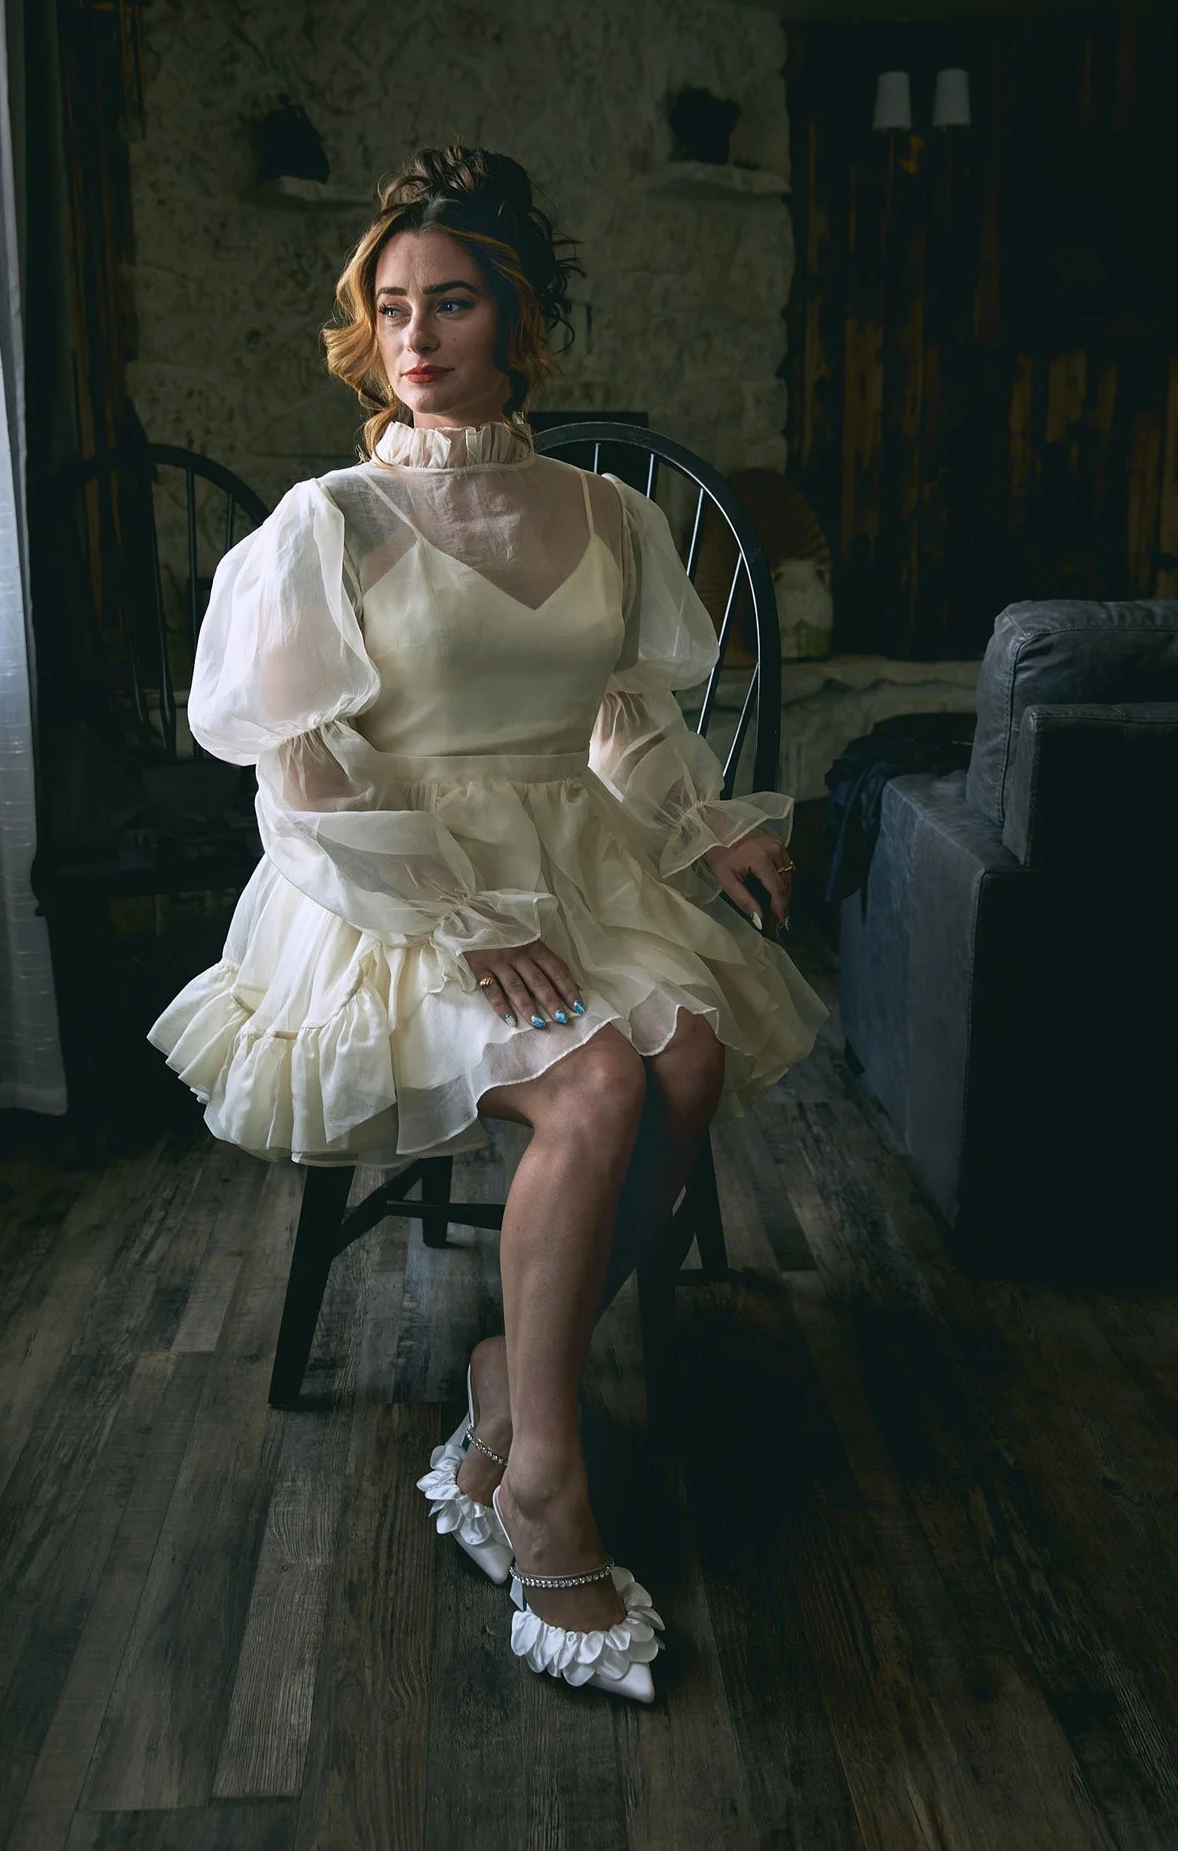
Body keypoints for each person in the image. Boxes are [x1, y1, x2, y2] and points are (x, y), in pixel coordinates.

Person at [147, 145, 827, 1702]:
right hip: (390, 878)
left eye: (450, 302)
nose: (414, 336)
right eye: (390, 307)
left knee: (689, 1062)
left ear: (521, 321)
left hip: (573, 856)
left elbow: (628, 726)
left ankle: (501, 1385)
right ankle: (539, 1488)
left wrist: (705, 830)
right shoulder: (331, 521)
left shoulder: (603, 511)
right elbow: (302, 768)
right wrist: (455, 919)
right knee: (592, 1087)